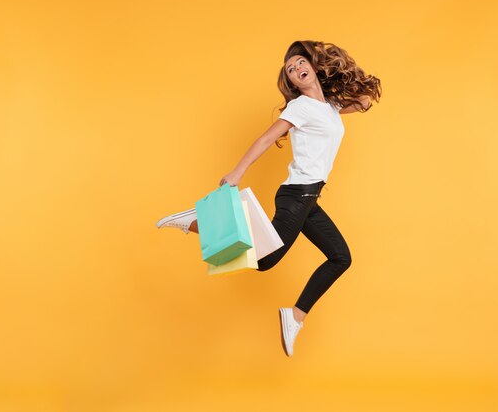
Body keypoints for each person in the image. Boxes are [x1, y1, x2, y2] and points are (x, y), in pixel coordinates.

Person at [156, 40, 381, 357]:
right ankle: (198, 220)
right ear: (291, 82)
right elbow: (266, 138)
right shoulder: (299, 107)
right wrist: (237, 173)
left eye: (300, 62)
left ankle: (295, 315)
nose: (296, 69)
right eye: (290, 70)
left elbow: (356, 105)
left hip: (309, 198)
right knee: (266, 262)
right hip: (296, 195)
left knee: (341, 257)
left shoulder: (327, 107)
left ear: (314, 66)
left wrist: (359, 96)